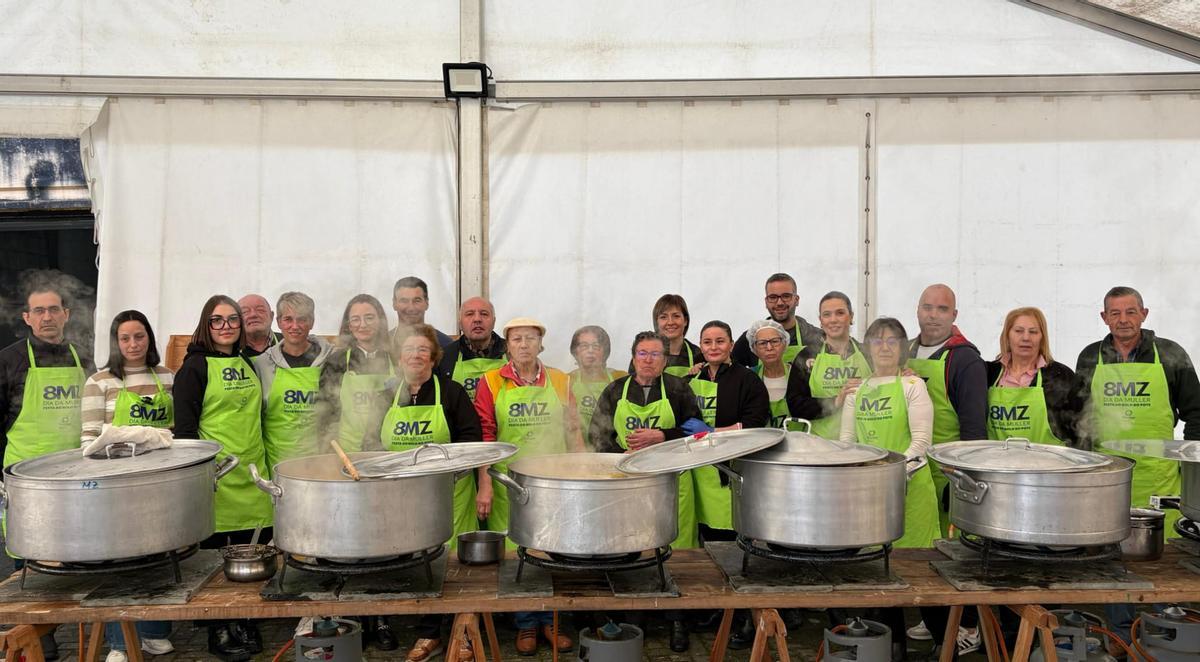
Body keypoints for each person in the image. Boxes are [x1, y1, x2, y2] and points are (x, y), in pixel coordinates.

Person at [1075, 286, 1200, 640]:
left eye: (1130, 312)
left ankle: (1169, 631)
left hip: (1161, 478)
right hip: (1109, 478)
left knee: (1167, 562)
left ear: (1144, 314)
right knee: (1114, 560)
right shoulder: (1090, 357)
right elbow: (1078, 415)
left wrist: (1188, 461)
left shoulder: (1171, 354)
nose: (1123, 320)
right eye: (1115, 313)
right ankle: (1120, 637)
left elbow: (1196, 413)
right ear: (1104, 318)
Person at [361, 325, 482, 661]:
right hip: (400, 495)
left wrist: (453, 472)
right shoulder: (386, 396)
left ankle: (461, 633)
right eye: (409, 350)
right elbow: (369, 445)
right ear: (399, 358)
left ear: (433, 357)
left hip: (449, 493)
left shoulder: (452, 392)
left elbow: (471, 441)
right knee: (416, 561)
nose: (415, 356)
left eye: (422, 350)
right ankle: (427, 630)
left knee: (455, 565)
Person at [589, 331, 704, 653]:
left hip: (672, 481)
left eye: (655, 354)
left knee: (676, 551)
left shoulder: (680, 389)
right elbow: (597, 434)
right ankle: (631, 617)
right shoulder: (615, 390)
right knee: (632, 548)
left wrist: (663, 435)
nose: (649, 359)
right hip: (627, 484)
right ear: (633, 356)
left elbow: (699, 432)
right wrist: (617, 455)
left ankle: (677, 619)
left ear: (665, 359)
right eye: (643, 353)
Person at [174, 295, 273, 662]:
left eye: (233, 320)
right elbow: (184, 431)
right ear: (207, 325)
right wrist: (198, 475)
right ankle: (218, 627)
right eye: (218, 321)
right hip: (216, 474)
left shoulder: (248, 361)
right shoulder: (194, 368)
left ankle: (246, 620)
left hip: (251, 472)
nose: (227, 326)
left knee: (254, 554)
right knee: (215, 561)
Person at [0, 280, 95, 661]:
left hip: (74, 473)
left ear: (66, 315)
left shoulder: (81, 357)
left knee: (77, 552)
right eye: (39, 311)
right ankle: (38, 632)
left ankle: (79, 622)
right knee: (29, 556)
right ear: (27, 318)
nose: (47, 317)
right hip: (26, 476)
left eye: (54, 309)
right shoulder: (8, 360)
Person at [474, 318, 579, 656]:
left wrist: (582, 470)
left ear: (540, 345)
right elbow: (486, 437)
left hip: (554, 479)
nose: (523, 344)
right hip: (510, 480)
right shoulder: (491, 382)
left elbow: (573, 430)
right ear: (507, 345)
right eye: (516, 339)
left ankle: (553, 620)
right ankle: (525, 623)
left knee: (553, 549)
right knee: (516, 551)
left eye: (530, 338)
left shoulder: (561, 380)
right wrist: (485, 484)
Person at [841, 317, 939, 661]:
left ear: (902, 348)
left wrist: (890, 473)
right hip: (870, 496)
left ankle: (945, 641)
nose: (884, 347)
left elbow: (922, 443)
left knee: (923, 575)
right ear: (867, 348)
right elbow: (847, 444)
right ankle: (892, 648)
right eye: (877, 341)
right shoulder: (857, 391)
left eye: (892, 341)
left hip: (911, 492)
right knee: (880, 574)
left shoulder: (913, 387)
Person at [80, 311, 175, 662]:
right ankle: (120, 643)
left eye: (140, 336)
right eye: (125, 338)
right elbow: (88, 442)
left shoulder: (166, 377)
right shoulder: (100, 382)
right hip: (116, 487)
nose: (133, 344)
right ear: (115, 342)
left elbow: (174, 433)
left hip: (159, 481)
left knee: (160, 554)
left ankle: (154, 632)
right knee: (119, 564)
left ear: (149, 338)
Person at [690, 320, 770, 537]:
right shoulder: (691, 380)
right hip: (697, 472)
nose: (713, 347)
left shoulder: (748, 380)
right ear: (701, 346)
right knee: (700, 533)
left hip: (731, 470)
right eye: (707, 342)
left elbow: (755, 422)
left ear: (732, 345)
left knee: (727, 535)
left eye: (720, 341)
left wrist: (714, 432)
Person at [252, 292, 334, 470]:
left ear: (311, 322)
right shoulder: (262, 364)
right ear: (279, 322)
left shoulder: (331, 359)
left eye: (302, 319)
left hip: (320, 461)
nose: (295, 326)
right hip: (278, 463)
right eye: (288, 319)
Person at [986, 307, 1086, 447]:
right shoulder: (987, 374)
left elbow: (1081, 431)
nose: (1026, 338)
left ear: (1042, 337)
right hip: (998, 466)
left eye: (1033, 332)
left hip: (1048, 466)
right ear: (1007, 335)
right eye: (1018, 331)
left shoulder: (1062, 376)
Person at [790, 292, 872, 439]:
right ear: (820, 321)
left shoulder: (868, 354)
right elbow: (795, 405)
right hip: (819, 444)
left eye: (840, 313)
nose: (833, 320)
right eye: (827, 315)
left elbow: (887, 386)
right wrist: (835, 401)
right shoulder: (806, 356)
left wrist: (904, 375)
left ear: (851, 317)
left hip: (863, 442)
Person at [318, 294, 393, 452]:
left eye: (369, 318)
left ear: (381, 321)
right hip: (347, 452)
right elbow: (325, 412)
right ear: (349, 326)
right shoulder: (336, 362)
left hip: (388, 452)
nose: (363, 325)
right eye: (356, 319)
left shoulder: (395, 359)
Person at [731, 273, 824, 369]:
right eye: (773, 297)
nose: (779, 303)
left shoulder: (817, 337)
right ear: (766, 302)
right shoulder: (750, 339)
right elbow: (731, 374)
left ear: (796, 300)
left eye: (786, 296)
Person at [747, 319, 822, 428]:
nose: (769, 348)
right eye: (762, 343)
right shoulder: (750, 378)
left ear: (784, 344)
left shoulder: (800, 375)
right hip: (763, 442)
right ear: (754, 348)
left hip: (800, 441)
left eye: (775, 341)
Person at [437, 297, 506, 403]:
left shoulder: (512, 353)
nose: (477, 319)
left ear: (494, 321)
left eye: (484, 314)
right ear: (460, 323)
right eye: (470, 314)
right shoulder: (444, 357)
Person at [567, 326, 625, 450]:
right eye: (584, 346)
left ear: (605, 351)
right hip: (578, 451)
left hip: (614, 451)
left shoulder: (619, 378)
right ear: (575, 351)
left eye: (596, 346)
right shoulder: (567, 381)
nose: (590, 351)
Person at [644, 294, 702, 378]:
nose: (670, 322)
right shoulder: (644, 356)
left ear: (685, 320)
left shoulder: (698, 355)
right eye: (663, 317)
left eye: (676, 316)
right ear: (657, 322)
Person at [392, 276, 454, 347]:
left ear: (427, 303)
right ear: (394, 304)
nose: (411, 308)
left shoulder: (445, 344)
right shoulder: (384, 343)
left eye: (417, 300)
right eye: (404, 301)